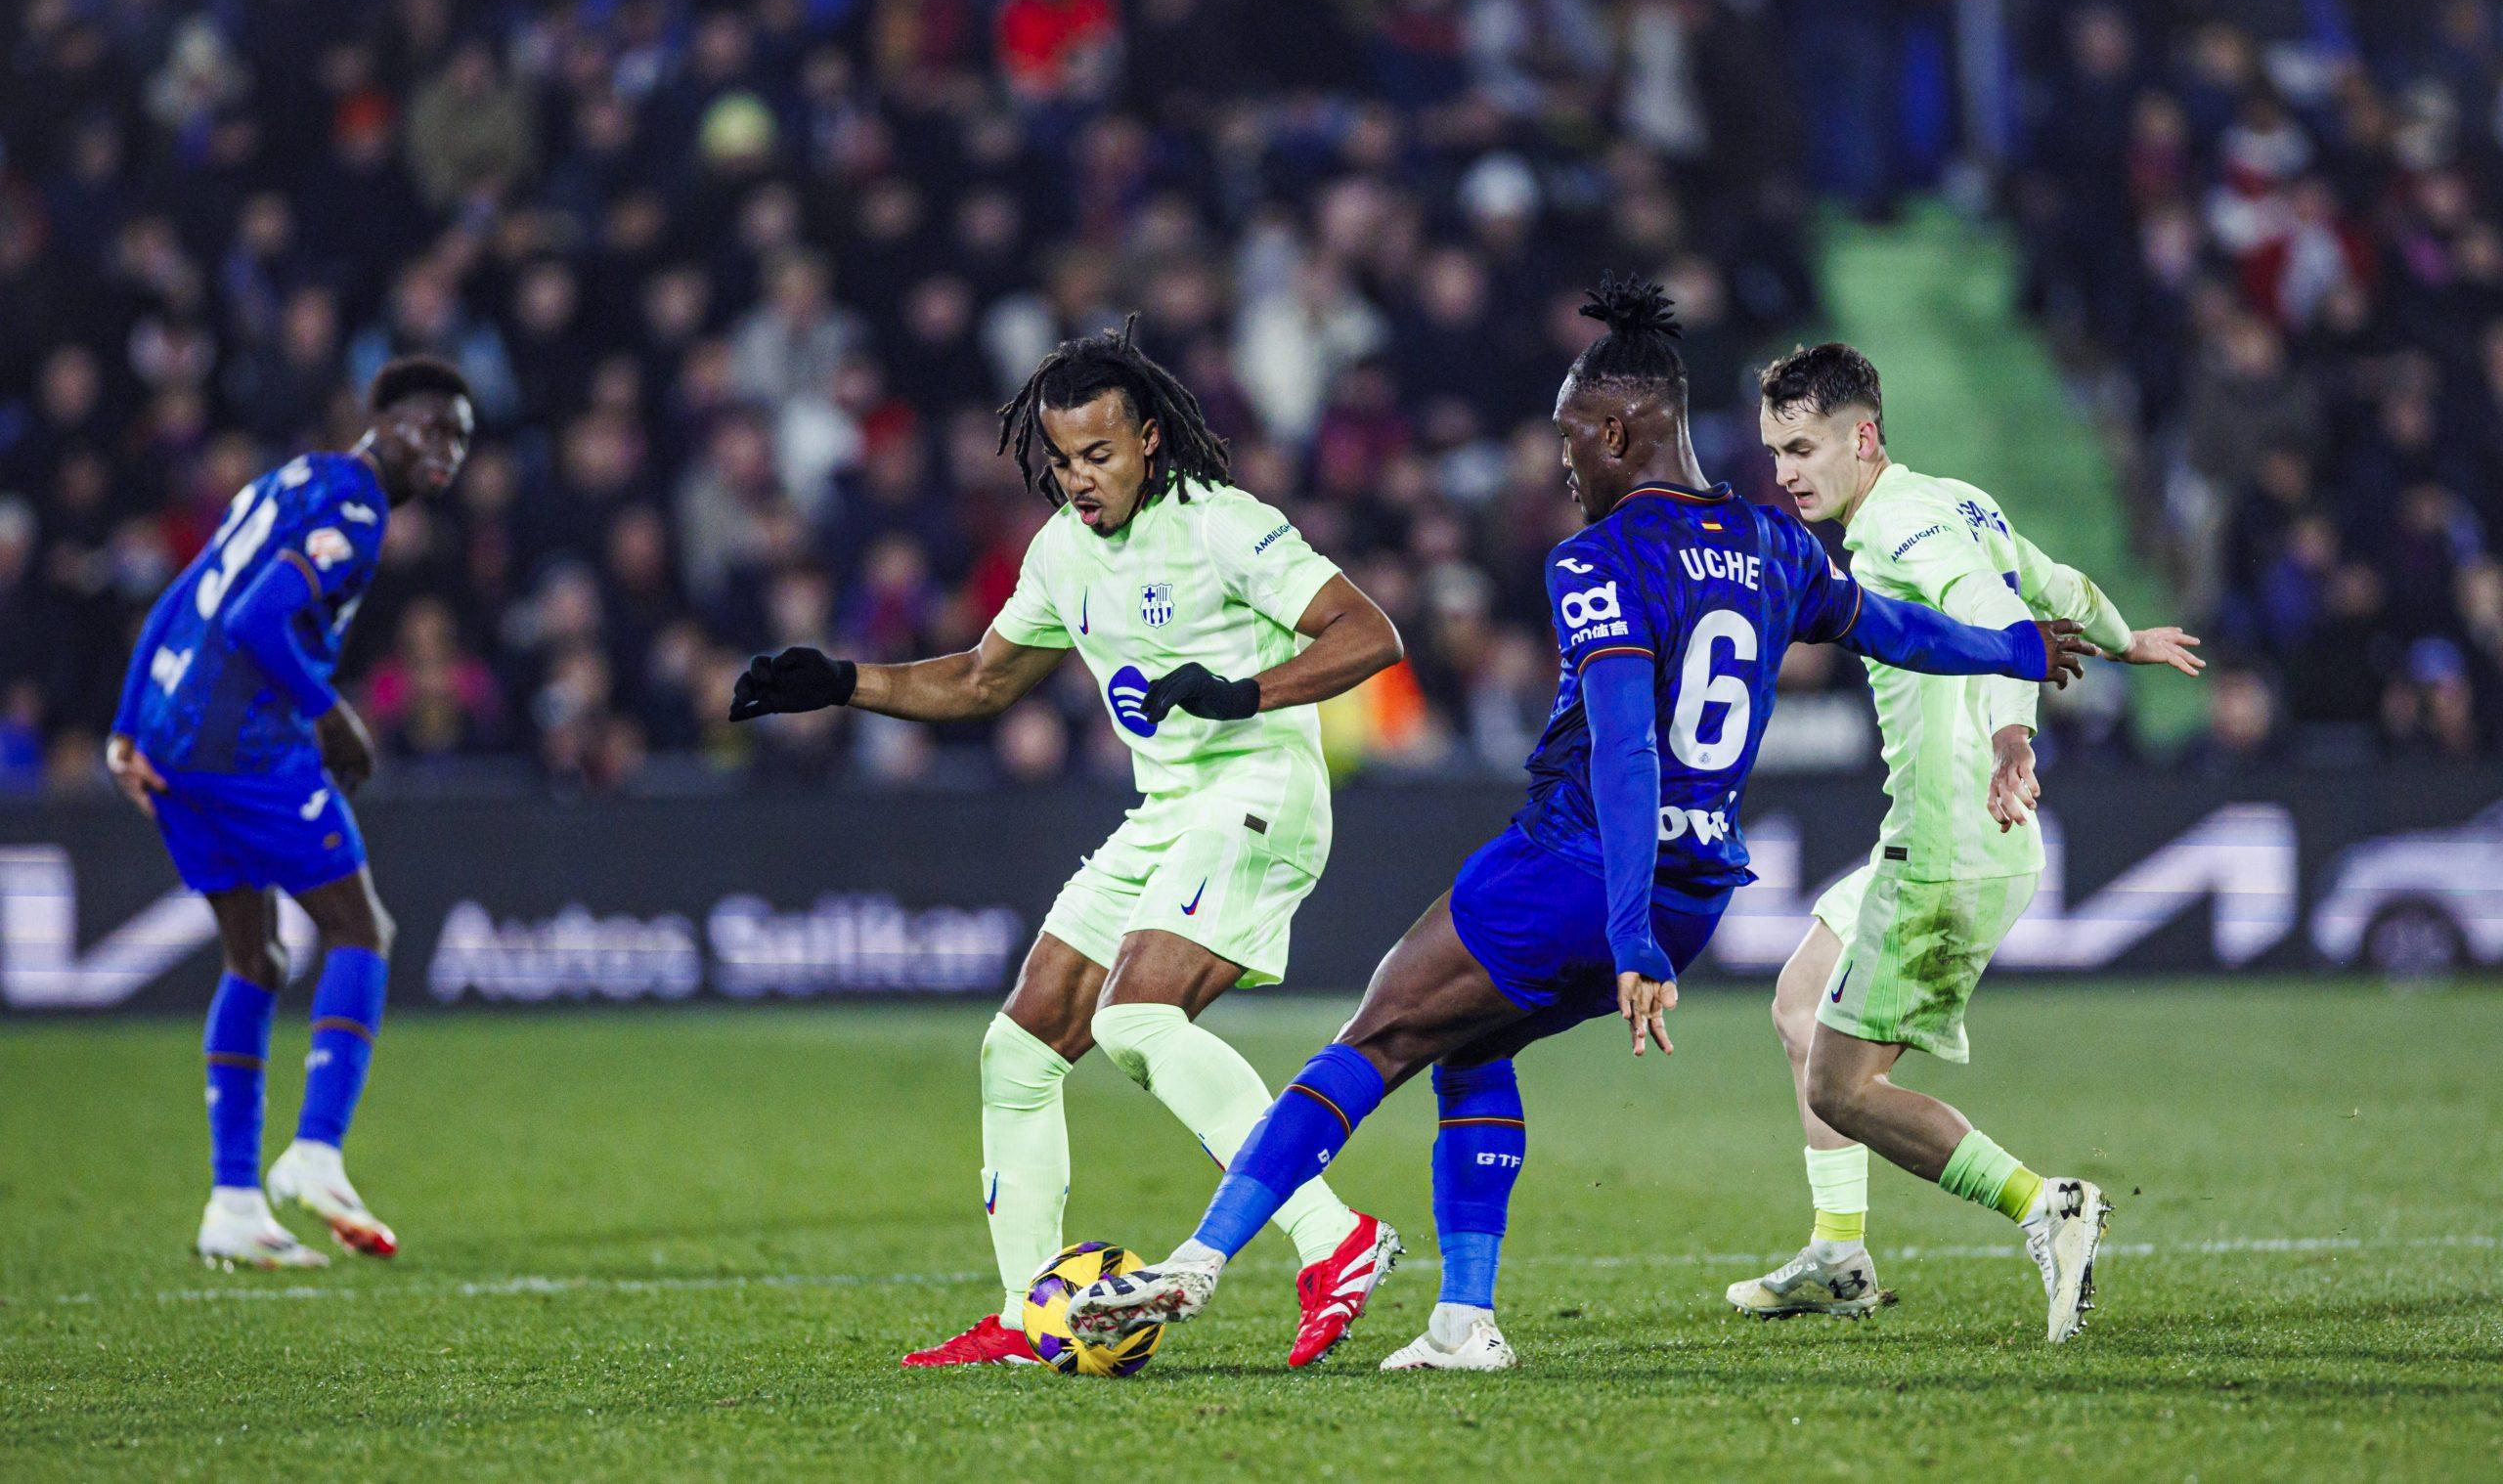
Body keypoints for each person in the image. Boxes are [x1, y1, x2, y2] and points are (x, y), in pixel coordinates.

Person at [1063, 278, 2086, 1369]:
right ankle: (1463, 1319)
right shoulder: (1773, 545)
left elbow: (1627, 749)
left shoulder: (1597, 558)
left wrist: (1627, 929)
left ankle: (1196, 1261)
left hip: (1579, 867)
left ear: (1617, 429)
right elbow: (1894, 628)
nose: (1561, 464)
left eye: (1568, 440)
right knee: (1468, 1049)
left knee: (1376, 1033)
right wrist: (2017, 647)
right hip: (1692, 888)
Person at [729, 319, 1408, 1368]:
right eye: (1060, 460)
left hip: (1260, 789)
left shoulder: (1225, 524)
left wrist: (1242, 690)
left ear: (1146, 437)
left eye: (1098, 454)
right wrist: (844, 682)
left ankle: (1334, 1238)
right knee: (1019, 1049)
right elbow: (980, 679)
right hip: (1167, 806)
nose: (1079, 478)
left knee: (1137, 1016)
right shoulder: (1059, 552)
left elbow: (1369, 633)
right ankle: (1025, 1310)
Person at [1726, 342, 2203, 1342]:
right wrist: (2126, 638)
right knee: (1798, 1001)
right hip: (1930, 832)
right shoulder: (1953, 499)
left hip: (1952, 841)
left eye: (1804, 446)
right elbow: (2054, 582)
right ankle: (1841, 1250)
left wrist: (2010, 737)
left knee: (1842, 1086)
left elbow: (1997, 614)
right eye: (1775, 451)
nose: (1786, 471)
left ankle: (2047, 1204)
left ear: (1863, 436)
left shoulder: (1901, 524)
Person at [106, 358, 476, 1269]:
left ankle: (232, 1203)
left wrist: (124, 727)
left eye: (460, 440)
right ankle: (315, 1154)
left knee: (257, 956)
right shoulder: (355, 509)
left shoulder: (292, 478)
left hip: (169, 732)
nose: (445, 450)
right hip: (240, 739)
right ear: (380, 420)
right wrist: (331, 712)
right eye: (430, 426)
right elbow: (255, 622)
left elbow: (184, 596)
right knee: (361, 930)